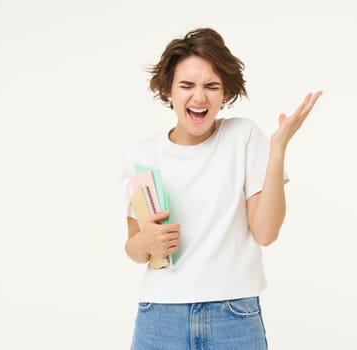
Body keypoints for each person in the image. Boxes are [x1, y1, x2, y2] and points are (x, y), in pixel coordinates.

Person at [121, 28, 322, 350]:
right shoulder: (142, 155)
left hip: (234, 315)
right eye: (187, 86)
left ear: (225, 92)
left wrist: (278, 149)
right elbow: (133, 249)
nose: (199, 97)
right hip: (160, 315)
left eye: (211, 86)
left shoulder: (243, 136)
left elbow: (266, 233)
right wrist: (146, 241)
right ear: (168, 90)